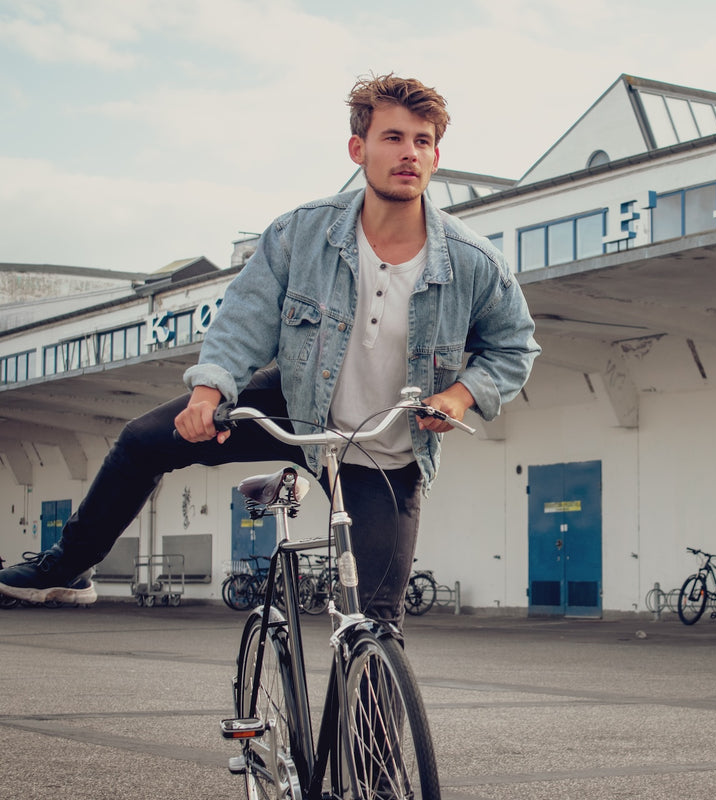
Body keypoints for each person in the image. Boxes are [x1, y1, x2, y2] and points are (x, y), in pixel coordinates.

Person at [0, 74, 539, 624]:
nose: (409, 153)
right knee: (141, 442)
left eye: (422, 141)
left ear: (436, 155)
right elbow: (244, 319)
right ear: (359, 149)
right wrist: (208, 393)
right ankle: (66, 567)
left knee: (375, 627)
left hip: (385, 447)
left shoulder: (472, 261)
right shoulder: (300, 234)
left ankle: (358, 709)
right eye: (394, 138)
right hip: (295, 404)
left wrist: (458, 395)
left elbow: (514, 347)